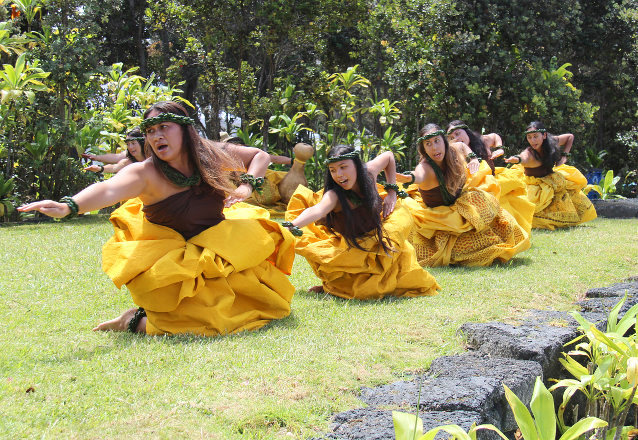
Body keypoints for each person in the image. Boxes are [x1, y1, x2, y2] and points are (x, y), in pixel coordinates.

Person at [18, 101, 296, 336]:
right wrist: (70, 205)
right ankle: (135, 320)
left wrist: (247, 185)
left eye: (164, 127)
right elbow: (109, 188)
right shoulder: (145, 172)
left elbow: (259, 156)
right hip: (173, 258)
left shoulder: (212, 154)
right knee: (208, 323)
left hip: (217, 246)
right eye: (151, 131)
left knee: (269, 307)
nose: (157, 136)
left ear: (186, 131)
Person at [283, 144, 439, 300]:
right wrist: (291, 227)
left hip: (382, 242)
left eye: (343, 167)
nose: (339, 175)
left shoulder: (369, 173)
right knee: (363, 290)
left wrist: (392, 192)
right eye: (333, 170)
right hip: (355, 249)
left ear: (356, 165)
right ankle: (333, 285)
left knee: (413, 282)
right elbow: (317, 210)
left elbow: (389, 156)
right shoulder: (334, 196)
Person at [397, 123, 530, 267]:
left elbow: (463, 147)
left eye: (437, 141)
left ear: (444, 141)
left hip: (460, 208)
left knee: (488, 205)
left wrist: (472, 158)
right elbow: (418, 175)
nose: (434, 148)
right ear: (423, 148)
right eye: (428, 144)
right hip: (440, 220)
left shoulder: (454, 149)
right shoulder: (425, 168)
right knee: (467, 250)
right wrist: (409, 178)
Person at [446, 120, 535, 234]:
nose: (456, 138)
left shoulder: (482, 140)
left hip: (494, 182)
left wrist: (500, 148)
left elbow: (495, 136)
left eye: (458, 133)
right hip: (475, 189)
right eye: (452, 137)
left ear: (466, 131)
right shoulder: (455, 150)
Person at [504, 121, 596, 229]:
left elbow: (570, 137)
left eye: (535, 136)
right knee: (526, 211)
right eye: (529, 137)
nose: (532, 141)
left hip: (550, 180)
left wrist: (565, 155)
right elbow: (523, 157)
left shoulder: (552, 141)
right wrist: (517, 159)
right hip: (534, 185)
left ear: (544, 135)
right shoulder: (529, 152)